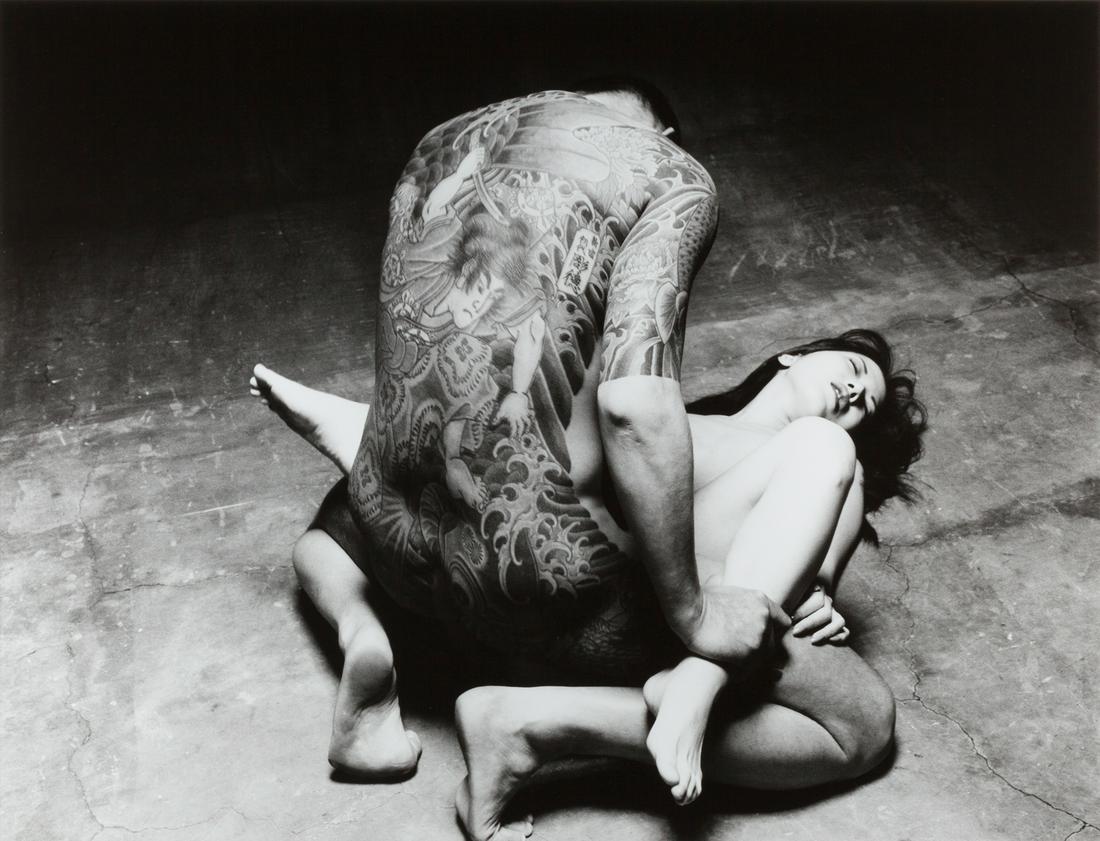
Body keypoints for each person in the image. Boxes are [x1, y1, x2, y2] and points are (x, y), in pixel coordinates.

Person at [251, 84, 924, 839]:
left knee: (389, 484)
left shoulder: (445, 140)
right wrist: (694, 615)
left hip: (405, 541)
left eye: (863, 405)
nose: (851, 394)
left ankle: (368, 570)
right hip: (541, 579)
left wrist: (812, 584)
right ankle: (532, 723)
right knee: (861, 721)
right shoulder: (667, 176)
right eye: (851, 371)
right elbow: (636, 406)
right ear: (664, 136)